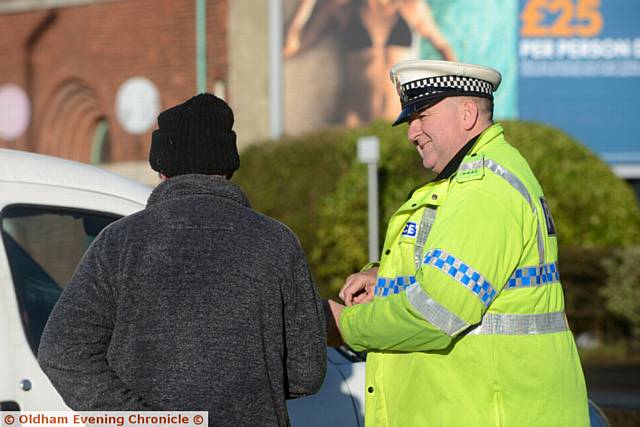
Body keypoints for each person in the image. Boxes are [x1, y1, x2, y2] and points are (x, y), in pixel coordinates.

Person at [326, 60, 589, 425]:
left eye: (422, 116)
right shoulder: (471, 182)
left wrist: (345, 324)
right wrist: (384, 280)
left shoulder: (483, 190)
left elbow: (436, 312)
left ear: (467, 113)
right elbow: (452, 277)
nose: (412, 133)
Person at [38, 93, 327, 426]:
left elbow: (62, 354)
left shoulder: (118, 244)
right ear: (229, 168)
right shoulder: (278, 243)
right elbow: (307, 372)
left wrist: (139, 418)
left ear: (162, 168)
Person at [283, 0, 456, 127]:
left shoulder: (411, 7)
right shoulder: (342, 10)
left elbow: (443, 47)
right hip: (354, 119)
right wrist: (306, 3)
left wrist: (453, 93)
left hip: (403, 118)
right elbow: (289, 49)